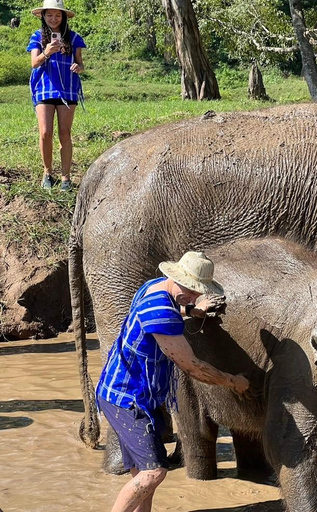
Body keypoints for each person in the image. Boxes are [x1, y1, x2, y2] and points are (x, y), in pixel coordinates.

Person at [96, 251, 251, 512]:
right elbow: (194, 368)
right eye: (189, 290)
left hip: (125, 390)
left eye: (197, 292)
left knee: (140, 472)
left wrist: (191, 309)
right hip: (127, 398)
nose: (192, 296)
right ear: (174, 277)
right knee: (154, 472)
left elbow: (172, 307)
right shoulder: (160, 312)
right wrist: (234, 382)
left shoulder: (153, 287)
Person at [27, 0, 86, 191]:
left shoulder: (74, 38)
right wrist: (47, 52)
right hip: (44, 87)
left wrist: (79, 67)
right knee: (45, 132)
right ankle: (47, 172)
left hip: (68, 89)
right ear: (43, 16)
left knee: (65, 133)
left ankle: (66, 178)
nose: (54, 19)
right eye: (49, 15)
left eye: (58, 15)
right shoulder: (37, 37)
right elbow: (34, 63)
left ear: (63, 17)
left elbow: (80, 64)